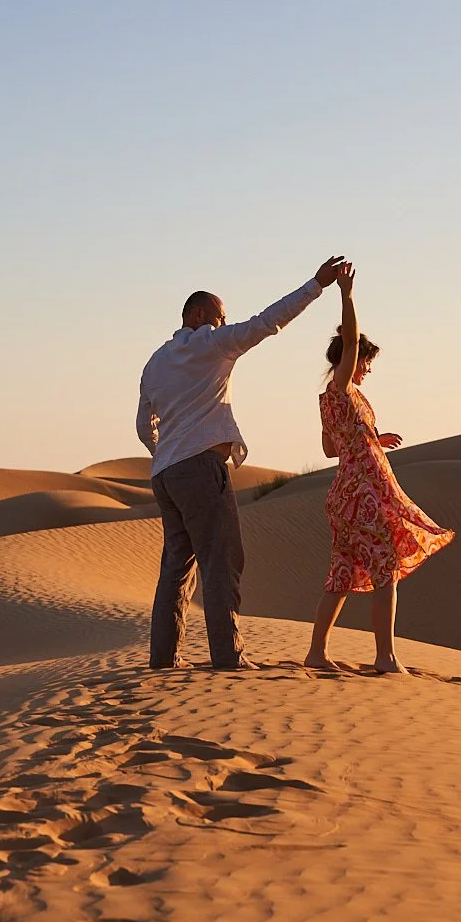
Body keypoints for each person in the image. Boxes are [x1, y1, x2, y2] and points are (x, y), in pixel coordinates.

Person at [139, 255, 347, 670]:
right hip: (199, 468)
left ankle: (163, 660)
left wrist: (166, 451)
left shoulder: (155, 362)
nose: (223, 323)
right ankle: (228, 658)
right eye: (219, 316)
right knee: (222, 561)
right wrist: (316, 285)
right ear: (198, 316)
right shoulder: (209, 344)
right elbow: (266, 323)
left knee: (175, 570)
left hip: (166, 474)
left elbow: (145, 426)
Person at [304, 263, 453, 674]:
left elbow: (330, 448)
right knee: (384, 569)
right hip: (362, 494)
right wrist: (347, 295)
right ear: (349, 361)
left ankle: (317, 652)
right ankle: (385, 657)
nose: (366, 368)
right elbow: (350, 339)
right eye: (364, 361)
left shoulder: (330, 402)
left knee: (341, 576)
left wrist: (372, 438)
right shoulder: (342, 388)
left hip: (346, 493)